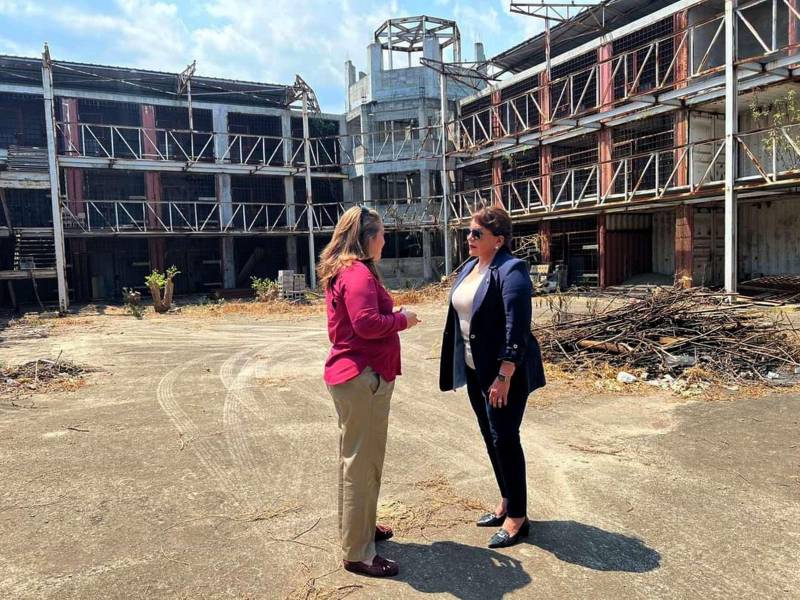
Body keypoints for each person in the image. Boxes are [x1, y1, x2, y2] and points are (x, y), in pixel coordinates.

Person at [318, 205, 420, 577]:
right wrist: (402, 321)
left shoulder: (349, 270)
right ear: (366, 238)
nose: (385, 239)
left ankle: (360, 530)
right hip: (361, 378)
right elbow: (366, 323)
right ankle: (358, 553)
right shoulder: (357, 272)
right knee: (360, 464)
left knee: (363, 461)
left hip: (359, 377)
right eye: (380, 233)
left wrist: (394, 316)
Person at [439, 206, 546, 549]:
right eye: (468, 232)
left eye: (476, 234)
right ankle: (506, 502)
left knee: (505, 438)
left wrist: (505, 373)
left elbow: (518, 325)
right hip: (476, 370)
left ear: (498, 240)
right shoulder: (471, 267)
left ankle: (518, 517)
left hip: (503, 374)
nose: (469, 238)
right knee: (490, 436)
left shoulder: (512, 270)